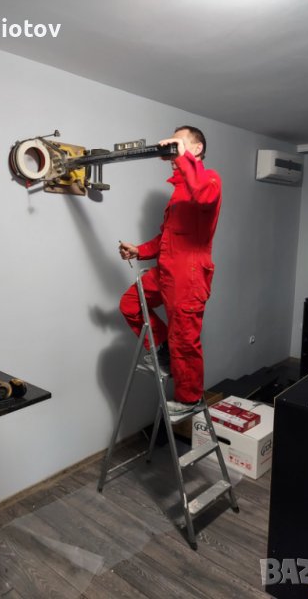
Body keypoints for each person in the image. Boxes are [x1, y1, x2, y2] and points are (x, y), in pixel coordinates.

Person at [119, 126, 222, 415]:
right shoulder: (178, 193)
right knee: (130, 303)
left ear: (197, 149)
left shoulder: (209, 179)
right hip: (166, 272)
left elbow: (203, 195)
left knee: (185, 340)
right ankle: (163, 352)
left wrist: (181, 156)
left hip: (189, 276)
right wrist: (139, 250)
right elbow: (166, 237)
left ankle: (190, 399)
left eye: (179, 142)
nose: (173, 148)